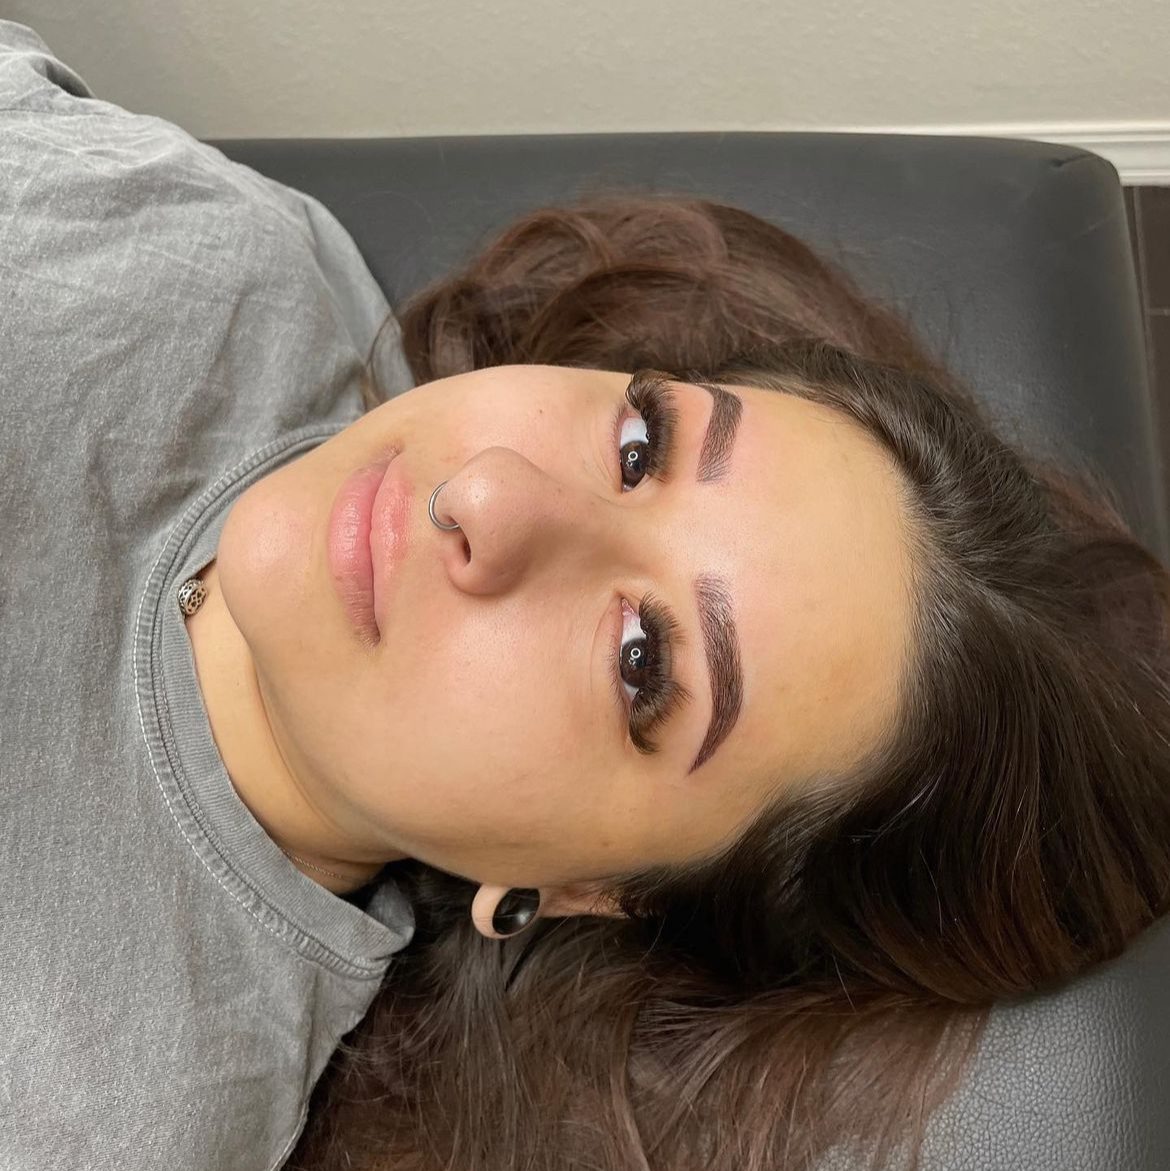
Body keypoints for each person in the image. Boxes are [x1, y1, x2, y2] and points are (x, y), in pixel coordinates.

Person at [4, 18, 1170, 1171]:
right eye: (639, 442)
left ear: (587, 893)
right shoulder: (206, 244)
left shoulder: (109, 1114)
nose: (488, 494)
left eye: (639, 663)